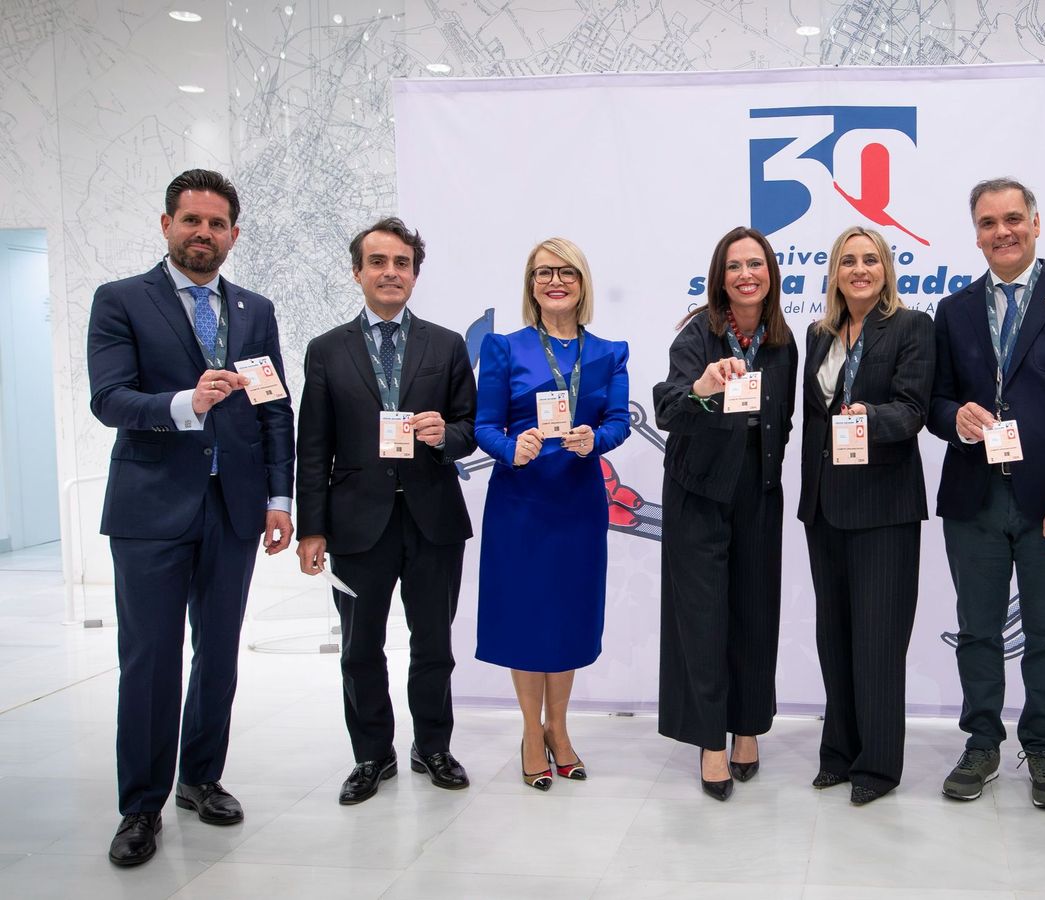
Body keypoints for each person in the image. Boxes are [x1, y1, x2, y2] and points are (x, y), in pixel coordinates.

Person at [87, 169, 295, 866]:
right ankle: (140, 805)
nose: (203, 233)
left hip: (232, 510)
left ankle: (200, 777)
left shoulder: (255, 310)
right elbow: (110, 399)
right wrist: (186, 403)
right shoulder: (121, 301)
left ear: (234, 234)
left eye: (216, 223)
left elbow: (273, 409)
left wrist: (278, 499)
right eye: (191, 220)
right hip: (150, 509)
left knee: (218, 654)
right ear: (166, 224)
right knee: (148, 660)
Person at [928, 178, 1045, 808]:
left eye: (1013, 219)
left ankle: (1042, 744)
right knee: (978, 630)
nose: (1001, 232)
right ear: (975, 232)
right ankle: (981, 741)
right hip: (974, 499)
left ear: (1036, 223)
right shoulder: (953, 310)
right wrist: (953, 418)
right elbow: (936, 400)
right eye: (988, 222)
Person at [296, 217, 478, 804]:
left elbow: (470, 430)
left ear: (415, 274)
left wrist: (442, 434)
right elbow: (312, 446)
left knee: (434, 644)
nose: (390, 272)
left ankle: (433, 745)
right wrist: (312, 528)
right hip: (354, 525)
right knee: (360, 648)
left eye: (401, 263)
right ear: (358, 272)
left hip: (433, 520)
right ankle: (373, 754)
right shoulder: (325, 350)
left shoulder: (446, 345)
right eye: (378, 262)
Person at [475, 237, 631, 790]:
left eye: (566, 272)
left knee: (565, 615)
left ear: (582, 282)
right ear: (531, 284)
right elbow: (484, 424)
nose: (555, 281)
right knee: (525, 615)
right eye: (544, 273)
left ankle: (559, 729)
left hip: (577, 503)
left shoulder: (610, 352)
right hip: (520, 502)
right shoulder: (503, 348)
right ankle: (529, 732)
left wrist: (598, 438)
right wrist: (507, 447)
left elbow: (619, 419)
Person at [654, 226, 797, 801]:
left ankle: (747, 730)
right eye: (735, 265)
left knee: (755, 616)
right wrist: (705, 388)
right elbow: (667, 407)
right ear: (720, 276)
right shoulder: (698, 333)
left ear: (770, 275)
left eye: (756, 265)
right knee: (705, 619)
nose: (746, 275)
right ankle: (712, 740)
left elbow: (784, 418)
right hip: (698, 493)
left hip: (758, 492)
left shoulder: (784, 341)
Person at [797, 226, 935, 806]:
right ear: (834, 272)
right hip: (826, 504)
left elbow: (912, 412)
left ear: (885, 268)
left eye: (870, 259)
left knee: (878, 640)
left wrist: (865, 416)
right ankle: (838, 753)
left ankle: (877, 767)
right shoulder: (819, 333)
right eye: (848, 261)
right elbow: (811, 419)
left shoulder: (911, 327)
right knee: (835, 638)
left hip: (883, 505)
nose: (859, 269)